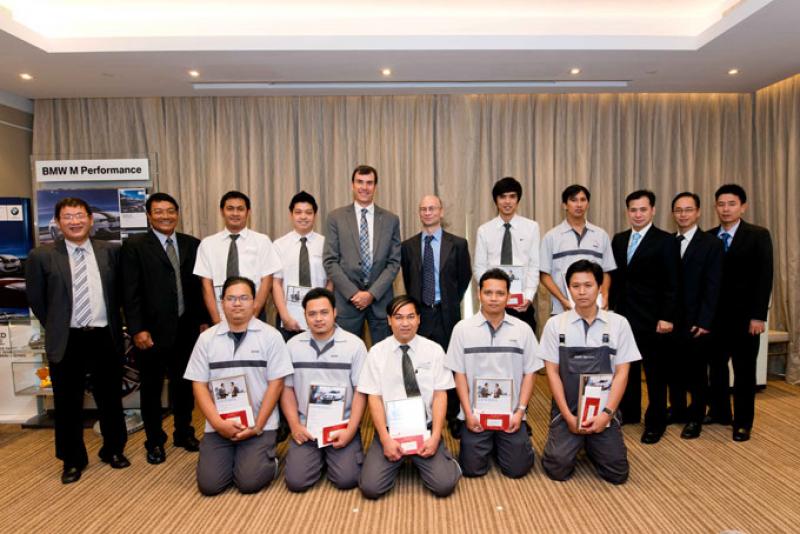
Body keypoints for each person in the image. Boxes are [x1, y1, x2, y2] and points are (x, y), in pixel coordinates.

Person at [26, 197, 129, 484]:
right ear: (58, 223)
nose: (75, 221)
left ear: (90, 219)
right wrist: (58, 325)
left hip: (104, 335)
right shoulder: (42, 256)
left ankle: (113, 449)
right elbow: (37, 300)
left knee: (110, 398)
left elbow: (119, 294)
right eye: (68, 217)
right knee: (67, 403)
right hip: (67, 338)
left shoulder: (110, 251)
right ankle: (72, 460)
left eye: (80, 215)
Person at [184, 276, 293, 495]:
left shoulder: (271, 337)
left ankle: (268, 461)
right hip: (220, 424)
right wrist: (218, 423)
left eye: (244, 298)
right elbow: (199, 385)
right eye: (231, 298)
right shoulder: (206, 339)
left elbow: (276, 384)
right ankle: (234, 456)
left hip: (259, 424)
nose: (237, 303)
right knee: (210, 485)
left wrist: (258, 425)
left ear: (254, 302)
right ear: (222, 302)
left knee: (248, 483)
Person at [121, 192, 208, 465]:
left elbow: (198, 288)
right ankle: (155, 441)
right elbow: (129, 291)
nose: (165, 216)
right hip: (151, 332)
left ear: (177, 214)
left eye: (170, 211)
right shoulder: (135, 246)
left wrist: (203, 321)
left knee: (184, 386)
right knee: (151, 389)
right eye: (159, 211)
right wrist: (137, 328)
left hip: (187, 329)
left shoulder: (192, 244)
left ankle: (184, 433)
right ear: (149, 215)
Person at [540, 260, 641, 484]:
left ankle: (593, 444)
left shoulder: (618, 324)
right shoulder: (555, 325)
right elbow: (552, 373)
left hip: (604, 409)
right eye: (575, 286)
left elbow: (622, 373)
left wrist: (606, 414)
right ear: (568, 288)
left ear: (599, 287)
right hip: (568, 409)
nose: (582, 292)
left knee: (617, 474)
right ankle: (579, 442)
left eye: (588, 285)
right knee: (557, 469)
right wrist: (568, 416)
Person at [357, 296, 461, 499]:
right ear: (389, 320)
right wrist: (385, 438)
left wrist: (435, 436)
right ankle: (391, 456)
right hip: (391, 431)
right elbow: (374, 398)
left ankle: (444, 459)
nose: (405, 323)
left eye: (410, 317)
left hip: (425, 428)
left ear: (419, 319)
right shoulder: (377, 353)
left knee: (444, 485)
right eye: (398, 317)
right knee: (370, 488)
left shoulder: (434, 351)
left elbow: (440, 396)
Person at [445, 269, 540, 479]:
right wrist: (468, 414)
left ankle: (505, 445)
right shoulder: (462, 329)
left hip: (511, 414)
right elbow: (459, 374)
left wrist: (520, 411)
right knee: (472, 470)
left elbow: (530, 373)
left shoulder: (523, 330)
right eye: (488, 293)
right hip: (475, 414)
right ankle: (492, 444)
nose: (494, 298)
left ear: (508, 296)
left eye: (500, 293)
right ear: (479, 294)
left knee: (517, 470)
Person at [280, 288, 368, 492]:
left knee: (347, 480)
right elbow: (287, 390)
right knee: (296, 482)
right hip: (306, 428)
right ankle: (317, 457)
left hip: (341, 426)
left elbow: (361, 392)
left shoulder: (354, 345)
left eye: (324, 312)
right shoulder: (292, 346)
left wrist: (350, 430)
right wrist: (294, 425)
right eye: (312, 314)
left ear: (335, 312)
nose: (318, 319)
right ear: (304, 316)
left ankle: (334, 456)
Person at [610, 190, 680, 442]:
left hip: (653, 319)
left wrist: (667, 317)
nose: (637, 214)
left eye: (643, 209)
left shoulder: (666, 240)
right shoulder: (619, 239)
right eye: (633, 210)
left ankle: (656, 422)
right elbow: (615, 279)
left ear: (653, 210)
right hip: (624, 317)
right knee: (626, 367)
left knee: (655, 373)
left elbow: (673, 282)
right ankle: (630, 413)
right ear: (627, 212)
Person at [401, 194, 471, 431]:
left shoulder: (458, 244)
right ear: (419, 213)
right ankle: (422, 413)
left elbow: (464, 278)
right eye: (423, 209)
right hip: (419, 314)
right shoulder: (408, 246)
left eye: (432, 208)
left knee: (449, 363)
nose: (427, 212)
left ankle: (452, 414)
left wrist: (449, 301)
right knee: (419, 364)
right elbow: (409, 279)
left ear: (441, 212)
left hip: (446, 313)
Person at [708, 184, 773, 442]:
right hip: (714, 318)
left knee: (744, 371)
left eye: (731, 204)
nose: (726, 209)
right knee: (716, 367)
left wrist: (758, 316)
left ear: (743, 207)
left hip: (746, 319)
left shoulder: (758, 235)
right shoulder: (709, 237)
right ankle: (720, 412)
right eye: (721, 204)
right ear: (716, 207)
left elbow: (764, 277)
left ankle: (743, 422)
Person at [323, 165, 401, 343]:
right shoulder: (336, 218)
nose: (364, 187)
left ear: (375, 186)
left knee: (384, 355)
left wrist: (371, 294)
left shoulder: (391, 220)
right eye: (360, 182)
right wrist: (353, 294)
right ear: (352, 185)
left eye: (369, 183)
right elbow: (330, 261)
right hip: (347, 303)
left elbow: (394, 263)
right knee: (346, 353)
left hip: (380, 301)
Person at [668, 192, 723, 439]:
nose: (683, 214)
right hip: (671, 320)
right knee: (674, 369)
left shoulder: (711, 244)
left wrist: (705, 320)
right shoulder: (668, 242)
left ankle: (696, 417)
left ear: (698, 212)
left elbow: (714, 285)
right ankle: (678, 409)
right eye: (678, 210)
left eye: (688, 209)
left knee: (697, 372)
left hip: (697, 321)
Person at [194, 191, 282, 324]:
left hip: (254, 313)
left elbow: (267, 280)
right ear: (222, 211)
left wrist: (253, 314)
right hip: (219, 313)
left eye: (240, 209)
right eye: (230, 208)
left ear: (248, 212)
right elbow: (206, 285)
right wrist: (217, 321)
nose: (235, 213)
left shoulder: (262, 241)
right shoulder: (207, 244)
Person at [474, 177, 539, 332]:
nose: (507, 201)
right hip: (493, 302)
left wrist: (529, 296)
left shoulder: (531, 227)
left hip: (522, 304)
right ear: (496, 201)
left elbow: (534, 265)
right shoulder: (484, 230)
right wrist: (490, 293)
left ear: (518, 200)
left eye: (512, 196)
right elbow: (479, 267)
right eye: (502, 197)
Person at [540, 184, 616, 315]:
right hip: (563, 309)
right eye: (573, 200)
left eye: (583, 200)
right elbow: (544, 275)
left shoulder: (601, 235)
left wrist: (604, 295)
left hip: (595, 310)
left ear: (588, 204)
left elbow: (607, 270)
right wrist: (563, 300)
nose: (579, 204)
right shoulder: (551, 236)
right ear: (565, 205)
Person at [272, 191, 332, 341]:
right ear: (291, 214)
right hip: (288, 317)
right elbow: (276, 283)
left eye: (308, 212)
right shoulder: (279, 245)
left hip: (319, 318)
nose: (303, 217)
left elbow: (331, 282)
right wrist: (285, 316)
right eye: (298, 212)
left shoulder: (326, 244)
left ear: (315, 215)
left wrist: (325, 311)